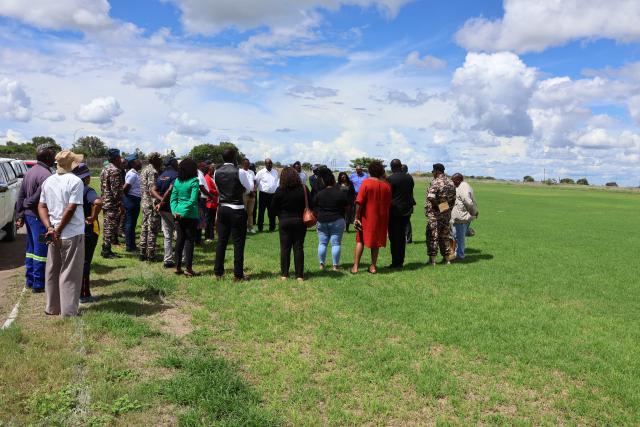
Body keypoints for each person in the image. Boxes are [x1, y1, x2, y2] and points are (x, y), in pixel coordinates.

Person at [38, 150, 85, 317]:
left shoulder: (48, 181)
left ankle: (52, 307)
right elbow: (71, 208)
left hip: (53, 232)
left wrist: (50, 228)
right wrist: (57, 229)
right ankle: (69, 311)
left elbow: (41, 206)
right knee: (70, 272)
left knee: (53, 269)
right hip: (71, 233)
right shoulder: (76, 181)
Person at [15, 143, 56, 293]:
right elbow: (34, 198)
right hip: (39, 218)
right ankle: (39, 283)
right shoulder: (46, 175)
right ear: (47, 157)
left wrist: (20, 214)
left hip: (30, 217)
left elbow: (21, 195)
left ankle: (30, 280)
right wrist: (26, 205)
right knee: (41, 250)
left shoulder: (30, 172)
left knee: (31, 249)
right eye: (52, 155)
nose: (54, 158)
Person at [213, 148, 253, 281]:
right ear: (234, 157)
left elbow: (218, 189)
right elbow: (249, 188)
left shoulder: (216, 171)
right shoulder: (239, 171)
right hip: (237, 208)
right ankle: (238, 275)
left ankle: (218, 273)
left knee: (221, 241)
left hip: (223, 207)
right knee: (238, 242)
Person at [351, 161, 391, 274]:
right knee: (376, 243)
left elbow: (359, 201)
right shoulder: (387, 186)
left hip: (366, 217)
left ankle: (355, 267)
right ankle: (373, 267)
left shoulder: (366, 183)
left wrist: (356, 217)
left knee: (360, 240)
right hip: (381, 219)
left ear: (370, 171)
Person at [270, 167, 309, 281]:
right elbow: (310, 204)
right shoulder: (304, 188)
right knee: (298, 248)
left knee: (285, 248)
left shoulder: (279, 190)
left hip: (284, 221)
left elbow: (272, 209)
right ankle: (299, 275)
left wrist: (280, 215)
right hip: (299, 221)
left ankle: (284, 274)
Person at [72, 163, 102, 304]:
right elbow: (97, 202)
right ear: (87, 177)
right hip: (87, 230)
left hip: (71, 230)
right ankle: (84, 294)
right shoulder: (87, 190)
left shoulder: (69, 188)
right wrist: (93, 217)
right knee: (84, 263)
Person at [170, 158, 200, 277]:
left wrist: (175, 211)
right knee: (189, 241)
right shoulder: (194, 181)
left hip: (178, 215)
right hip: (190, 215)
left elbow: (173, 199)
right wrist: (183, 212)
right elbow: (193, 200)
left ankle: (177, 267)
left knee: (179, 240)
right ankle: (188, 268)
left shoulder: (177, 181)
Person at [315, 169, 349, 271]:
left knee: (322, 243)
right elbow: (347, 207)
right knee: (336, 244)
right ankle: (335, 266)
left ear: (324, 182)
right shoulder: (340, 193)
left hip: (322, 221)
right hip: (337, 220)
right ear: (334, 181)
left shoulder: (319, 194)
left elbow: (315, 207)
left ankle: (321, 265)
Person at [425, 163, 457, 265]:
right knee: (445, 236)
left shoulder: (436, 182)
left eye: (433, 171)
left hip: (435, 214)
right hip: (446, 213)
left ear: (437, 171)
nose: (432, 173)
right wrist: (445, 209)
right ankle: (447, 259)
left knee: (432, 235)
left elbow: (431, 197)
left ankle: (432, 260)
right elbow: (453, 200)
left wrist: (438, 208)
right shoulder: (451, 182)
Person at [387, 159, 415, 268]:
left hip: (394, 211)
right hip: (406, 211)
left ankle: (396, 261)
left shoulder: (390, 179)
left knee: (394, 238)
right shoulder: (409, 177)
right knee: (402, 236)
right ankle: (401, 261)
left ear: (392, 167)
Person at [100, 149, 124, 259]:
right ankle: (106, 250)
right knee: (110, 227)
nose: (120, 159)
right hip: (112, 203)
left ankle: (105, 248)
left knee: (107, 226)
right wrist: (120, 204)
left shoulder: (105, 168)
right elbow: (116, 191)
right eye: (119, 157)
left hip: (105, 201)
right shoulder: (115, 170)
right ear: (115, 158)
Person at [139, 153, 163, 261]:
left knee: (144, 228)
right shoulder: (153, 171)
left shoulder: (144, 169)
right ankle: (151, 255)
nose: (161, 161)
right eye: (159, 159)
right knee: (152, 229)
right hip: (151, 203)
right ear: (154, 160)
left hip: (144, 203)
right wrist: (159, 201)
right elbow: (152, 189)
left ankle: (142, 253)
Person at [155, 156, 179, 268]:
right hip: (173, 209)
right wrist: (163, 201)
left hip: (163, 209)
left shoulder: (161, 176)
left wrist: (160, 201)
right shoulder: (176, 175)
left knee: (167, 235)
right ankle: (181, 258)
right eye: (176, 162)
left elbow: (152, 190)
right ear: (173, 163)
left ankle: (168, 260)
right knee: (179, 233)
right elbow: (171, 189)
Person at [451, 173, 478, 261]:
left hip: (462, 217)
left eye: (453, 180)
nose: (452, 182)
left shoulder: (463, 187)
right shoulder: (460, 186)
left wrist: (474, 212)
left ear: (458, 180)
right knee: (456, 236)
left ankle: (460, 256)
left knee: (460, 238)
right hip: (460, 217)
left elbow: (468, 202)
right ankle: (457, 254)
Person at [123, 155, 142, 252]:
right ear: (132, 163)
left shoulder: (135, 173)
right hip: (131, 200)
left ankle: (132, 245)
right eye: (137, 161)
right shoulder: (132, 174)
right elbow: (125, 188)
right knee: (130, 224)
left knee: (132, 223)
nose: (140, 162)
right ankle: (129, 246)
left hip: (134, 199)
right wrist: (128, 199)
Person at [255, 158, 279, 232]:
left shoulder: (275, 172)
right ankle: (260, 228)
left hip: (273, 195)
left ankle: (272, 227)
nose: (270, 164)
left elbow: (277, 182)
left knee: (272, 212)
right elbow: (256, 182)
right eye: (268, 163)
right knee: (261, 212)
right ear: (265, 164)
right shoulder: (260, 172)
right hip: (263, 195)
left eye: (271, 163)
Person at [196, 162, 213, 245]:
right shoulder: (199, 173)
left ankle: (198, 239)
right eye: (205, 166)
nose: (207, 168)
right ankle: (198, 240)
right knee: (200, 219)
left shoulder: (201, 173)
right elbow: (201, 187)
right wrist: (210, 195)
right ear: (201, 167)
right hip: (201, 199)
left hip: (203, 198)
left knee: (201, 219)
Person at [240, 158, 257, 234]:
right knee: (243, 212)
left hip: (252, 195)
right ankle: (244, 227)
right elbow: (240, 183)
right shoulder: (240, 172)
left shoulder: (251, 172)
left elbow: (254, 182)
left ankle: (250, 227)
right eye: (246, 163)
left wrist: (253, 190)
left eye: (248, 163)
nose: (248, 165)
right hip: (244, 194)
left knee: (250, 212)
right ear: (243, 164)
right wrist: (248, 191)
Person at [203, 164, 219, 242]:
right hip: (210, 202)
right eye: (213, 169)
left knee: (211, 220)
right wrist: (217, 191)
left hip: (214, 202)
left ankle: (211, 235)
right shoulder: (207, 178)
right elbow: (209, 189)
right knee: (209, 220)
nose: (214, 171)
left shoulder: (211, 178)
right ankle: (208, 236)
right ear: (209, 170)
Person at [402, 164, 414, 243]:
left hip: (406, 203)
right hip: (407, 202)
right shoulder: (409, 177)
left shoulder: (407, 178)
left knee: (406, 221)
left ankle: (408, 239)